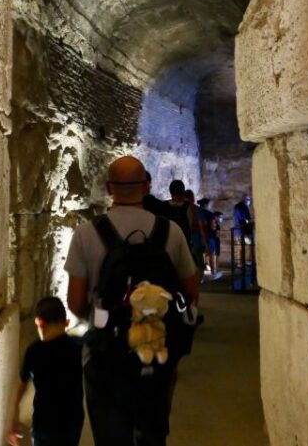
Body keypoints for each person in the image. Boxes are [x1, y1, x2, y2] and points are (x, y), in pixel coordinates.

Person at [66, 156, 200, 446]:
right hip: (156, 352)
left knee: (110, 436)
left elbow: (75, 303)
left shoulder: (87, 233)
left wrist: (101, 317)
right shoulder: (170, 233)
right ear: (147, 187)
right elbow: (190, 294)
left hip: (104, 355)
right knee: (152, 434)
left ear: (108, 188)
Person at [6, 297, 84, 446]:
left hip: (44, 425)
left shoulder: (34, 352)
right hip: (72, 423)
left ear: (39, 323)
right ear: (66, 323)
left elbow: (20, 386)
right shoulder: (77, 347)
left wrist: (12, 420)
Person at [183, 189, 209, 274]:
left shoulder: (181, 209)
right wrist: (206, 244)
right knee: (199, 264)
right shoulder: (198, 210)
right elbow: (202, 229)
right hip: (196, 240)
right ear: (193, 198)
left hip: (184, 241)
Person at [197, 198, 222, 280]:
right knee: (211, 254)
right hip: (209, 236)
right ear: (206, 205)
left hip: (198, 236)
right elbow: (212, 226)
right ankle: (212, 271)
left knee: (202, 254)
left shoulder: (197, 212)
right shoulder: (209, 214)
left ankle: (201, 272)